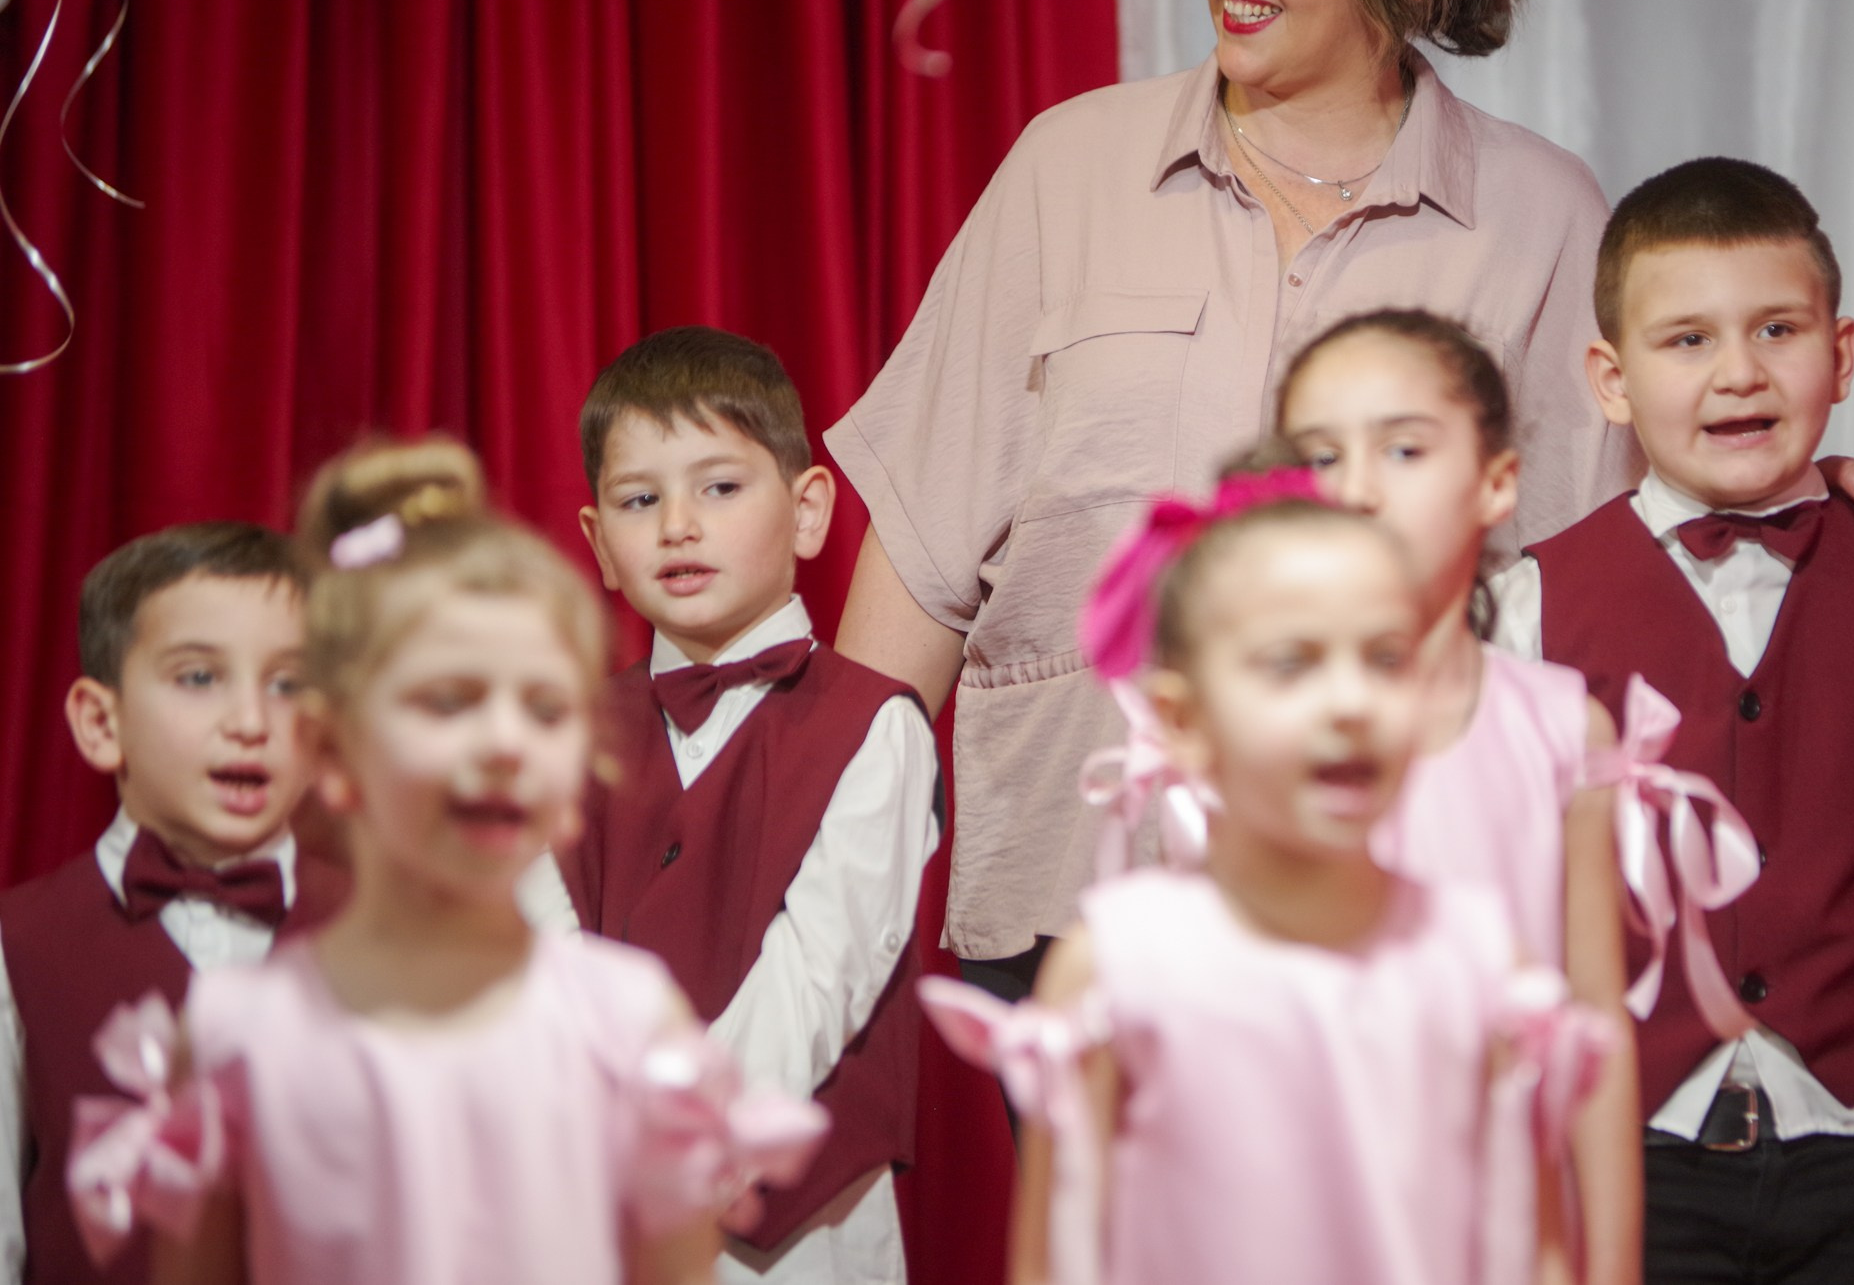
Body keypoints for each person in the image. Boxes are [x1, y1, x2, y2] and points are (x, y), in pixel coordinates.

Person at [824, 0, 1854, 993]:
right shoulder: (1066, 167)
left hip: (1411, 925)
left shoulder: (1538, 216)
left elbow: (1633, 555)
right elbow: (923, 553)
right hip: (1080, 900)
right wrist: (822, 870)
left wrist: (1819, 495)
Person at [66, 438, 823, 1285]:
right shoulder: (236, 1036)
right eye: (449, 700)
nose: (503, 743)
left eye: (543, 708)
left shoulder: (629, 1027)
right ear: (333, 750)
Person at [1495, 159, 1854, 1284]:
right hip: (1629, 1154)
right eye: (1685, 341)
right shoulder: (1528, 610)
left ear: (1839, 356)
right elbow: (1506, 891)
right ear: (1610, 378)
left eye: (1776, 330)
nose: (1737, 373)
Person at [922, 472, 1614, 1285]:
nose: (1350, 703)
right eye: (1292, 663)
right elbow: (1061, 1259)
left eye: (1386, 658)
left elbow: (1532, 1251)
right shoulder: (1116, 971)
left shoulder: (1485, 961)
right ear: (1182, 721)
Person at [560, 327, 940, 1285]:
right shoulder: (557, 740)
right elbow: (544, 972)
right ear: (600, 544)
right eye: (640, 500)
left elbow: (819, 979)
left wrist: (678, 1155)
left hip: (808, 1238)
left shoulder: (876, 726)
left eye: (720, 487)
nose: (678, 525)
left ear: (809, 510)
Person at [1268, 309, 1640, 1285]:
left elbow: (1594, 1025)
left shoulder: (1562, 730)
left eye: (1401, 448)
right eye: (1319, 456)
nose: (1355, 488)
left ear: (1495, 483)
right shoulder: (1246, 744)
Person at [0, 524, 340, 1285]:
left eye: (288, 683)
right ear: (101, 722)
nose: (250, 721)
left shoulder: (387, 936)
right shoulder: (18, 946)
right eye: (198, 678)